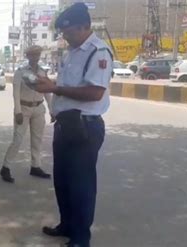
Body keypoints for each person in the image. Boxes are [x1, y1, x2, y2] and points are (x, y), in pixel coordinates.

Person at [35, 3, 113, 247]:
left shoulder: (98, 52)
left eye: (68, 32)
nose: (65, 37)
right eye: (63, 33)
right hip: (65, 126)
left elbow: (94, 92)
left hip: (85, 128)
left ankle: (81, 238)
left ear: (84, 27)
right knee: (63, 180)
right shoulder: (72, 51)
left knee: (81, 185)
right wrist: (51, 83)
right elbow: (69, 85)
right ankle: (67, 225)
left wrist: (55, 88)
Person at [0, 45, 53, 183]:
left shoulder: (42, 72)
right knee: (17, 139)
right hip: (23, 108)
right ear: (27, 56)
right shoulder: (21, 72)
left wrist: (52, 110)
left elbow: (47, 92)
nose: (35, 57)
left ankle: (35, 166)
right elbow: (15, 93)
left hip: (38, 108)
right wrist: (17, 111)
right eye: (32, 55)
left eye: (37, 54)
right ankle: (6, 167)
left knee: (37, 139)